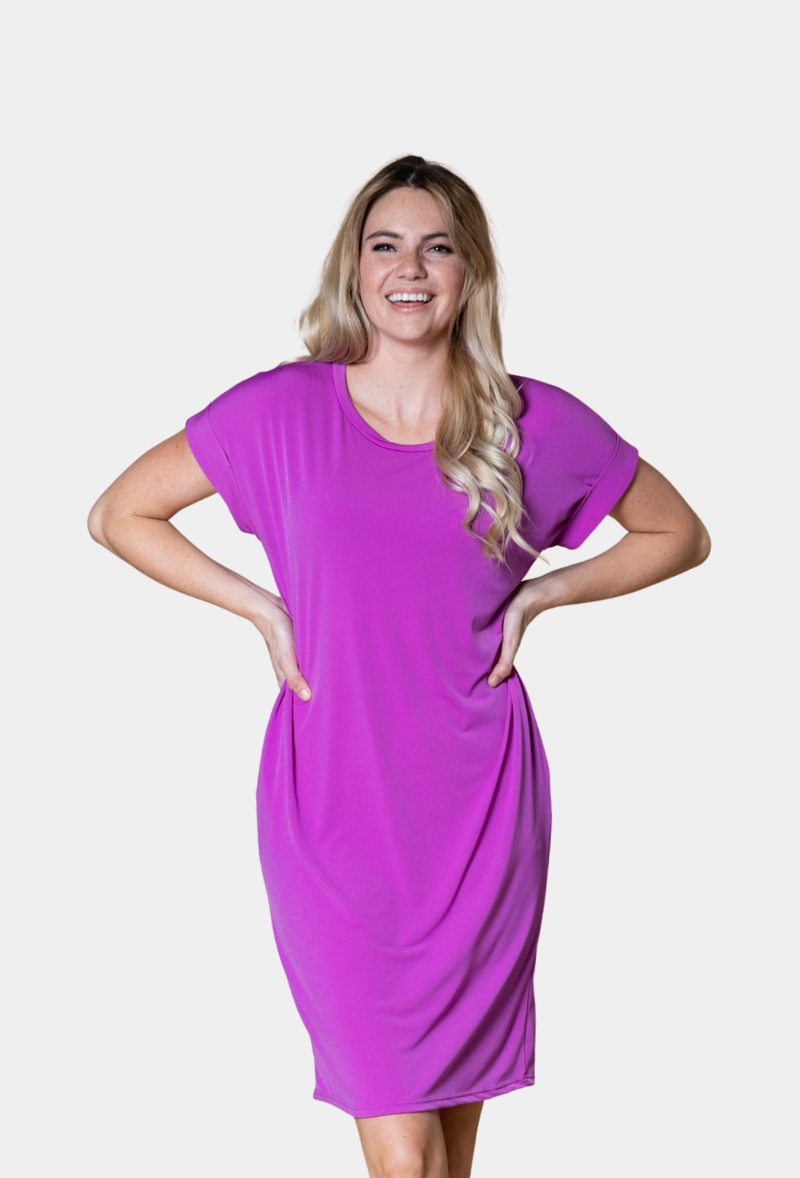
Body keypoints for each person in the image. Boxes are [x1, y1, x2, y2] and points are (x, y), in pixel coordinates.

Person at [88, 154, 711, 1178]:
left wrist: (544, 594)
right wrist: (261, 609)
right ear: (354, 267)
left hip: (477, 810)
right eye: (385, 246)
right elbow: (120, 514)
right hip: (331, 810)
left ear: (470, 272)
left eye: (436, 248)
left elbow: (678, 534)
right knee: (404, 1151)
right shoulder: (279, 412)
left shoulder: (532, 424)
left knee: (443, 1154)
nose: (409, 269)